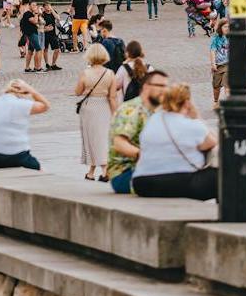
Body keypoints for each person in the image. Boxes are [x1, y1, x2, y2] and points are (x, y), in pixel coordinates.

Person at [130, 83, 217, 199]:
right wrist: (197, 117)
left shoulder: (152, 120)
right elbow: (213, 142)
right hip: (178, 181)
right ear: (187, 102)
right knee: (221, 175)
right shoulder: (191, 125)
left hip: (142, 183)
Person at [105, 68, 169, 193]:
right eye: (160, 86)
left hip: (150, 168)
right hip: (125, 173)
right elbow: (119, 143)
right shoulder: (131, 109)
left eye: (166, 86)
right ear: (146, 87)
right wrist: (147, 156)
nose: (164, 90)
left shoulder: (160, 111)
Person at [74, 44, 119, 181]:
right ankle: (92, 171)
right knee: (102, 137)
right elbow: (112, 97)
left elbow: (78, 92)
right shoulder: (110, 73)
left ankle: (104, 170)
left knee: (91, 139)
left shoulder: (85, 73)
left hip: (89, 107)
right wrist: (116, 113)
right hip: (104, 106)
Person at [0, 79, 47, 169]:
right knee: (38, 168)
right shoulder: (21, 104)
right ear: (22, 92)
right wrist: (31, 90)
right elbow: (45, 105)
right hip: (16, 156)